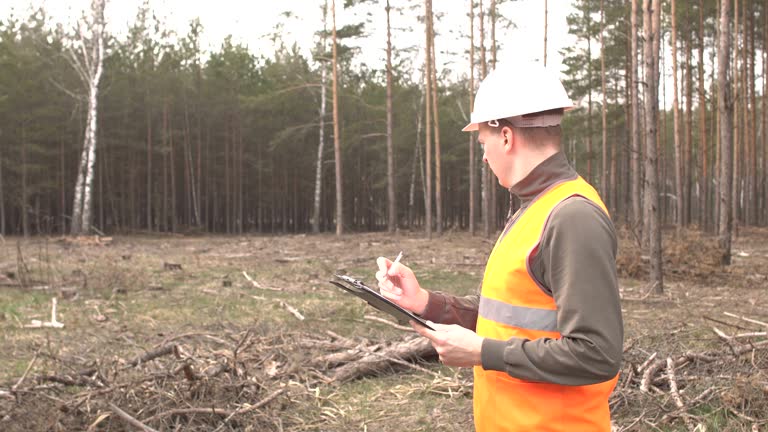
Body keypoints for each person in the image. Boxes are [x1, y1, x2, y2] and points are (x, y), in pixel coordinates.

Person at [375, 63, 623, 432]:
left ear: (506, 137)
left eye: (484, 144)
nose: (485, 157)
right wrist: (427, 303)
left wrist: (481, 352)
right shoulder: (535, 208)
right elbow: (508, 322)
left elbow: (597, 354)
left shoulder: (572, 217)